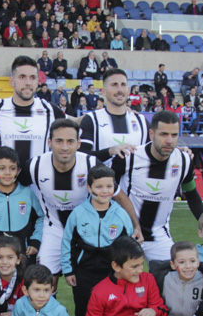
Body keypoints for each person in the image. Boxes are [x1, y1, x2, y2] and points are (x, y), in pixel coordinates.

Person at [19, 118, 137, 275]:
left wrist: (136, 226)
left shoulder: (91, 163)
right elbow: (15, 189)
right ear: (49, 142)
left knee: (96, 281)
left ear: (78, 143)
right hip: (53, 228)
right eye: (59, 141)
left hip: (87, 230)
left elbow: (118, 195)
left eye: (70, 141)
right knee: (44, 279)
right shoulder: (35, 165)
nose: (65, 147)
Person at [61, 165, 134, 316]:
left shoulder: (120, 214)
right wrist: (68, 271)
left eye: (109, 186)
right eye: (99, 186)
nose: (104, 191)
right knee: (84, 315)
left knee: (114, 314)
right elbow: (67, 243)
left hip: (111, 275)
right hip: (84, 273)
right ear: (89, 186)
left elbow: (129, 246)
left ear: (114, 187)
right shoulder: (78, 214)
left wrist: (127, 273)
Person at [112, 111, 203, 266]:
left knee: (173, 278)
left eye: (174, 135)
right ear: (151, 134)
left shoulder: (184, 161)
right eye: (163, 134)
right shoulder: (130, 157)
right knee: (122, 284)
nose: (169, 140)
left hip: (159, 235)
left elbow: (191, 194)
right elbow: (107, 189)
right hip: (126, 233)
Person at [0, 56, 66, 165]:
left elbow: (77, 123)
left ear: (37, 82)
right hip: (6, 181)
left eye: (32, 77)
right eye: (22, 77)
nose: (28, 82)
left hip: (39, 181)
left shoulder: (50, 109)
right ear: (11, 81)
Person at [79, 68, 148, 161]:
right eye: (114, 85)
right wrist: (110, 151)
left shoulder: (141, 121)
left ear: (128, 89)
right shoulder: (91, 120)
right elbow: (81, 157)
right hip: (100, 175)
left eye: (123, 85)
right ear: (103, 91)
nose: (120, 90)